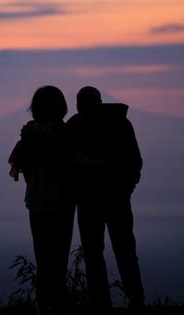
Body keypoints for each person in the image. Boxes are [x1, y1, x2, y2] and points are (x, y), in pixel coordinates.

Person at [66, 86, 145, 313]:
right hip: (115, 198)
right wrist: (126, 186)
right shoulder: (120, 123)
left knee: (96, 253)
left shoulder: (75, 125)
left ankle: (102, 304)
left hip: (91, 200)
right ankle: (135, 301)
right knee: (123, 250)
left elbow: (66, 164)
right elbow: (135, 162)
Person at [9, 86, 75, 315]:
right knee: (60, 256)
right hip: (62, 203)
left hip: (36, 201)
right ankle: (59, 304)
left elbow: (23, 167)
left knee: (43, 257)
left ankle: (43, 304)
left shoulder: (28, 132)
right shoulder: (65, 133)